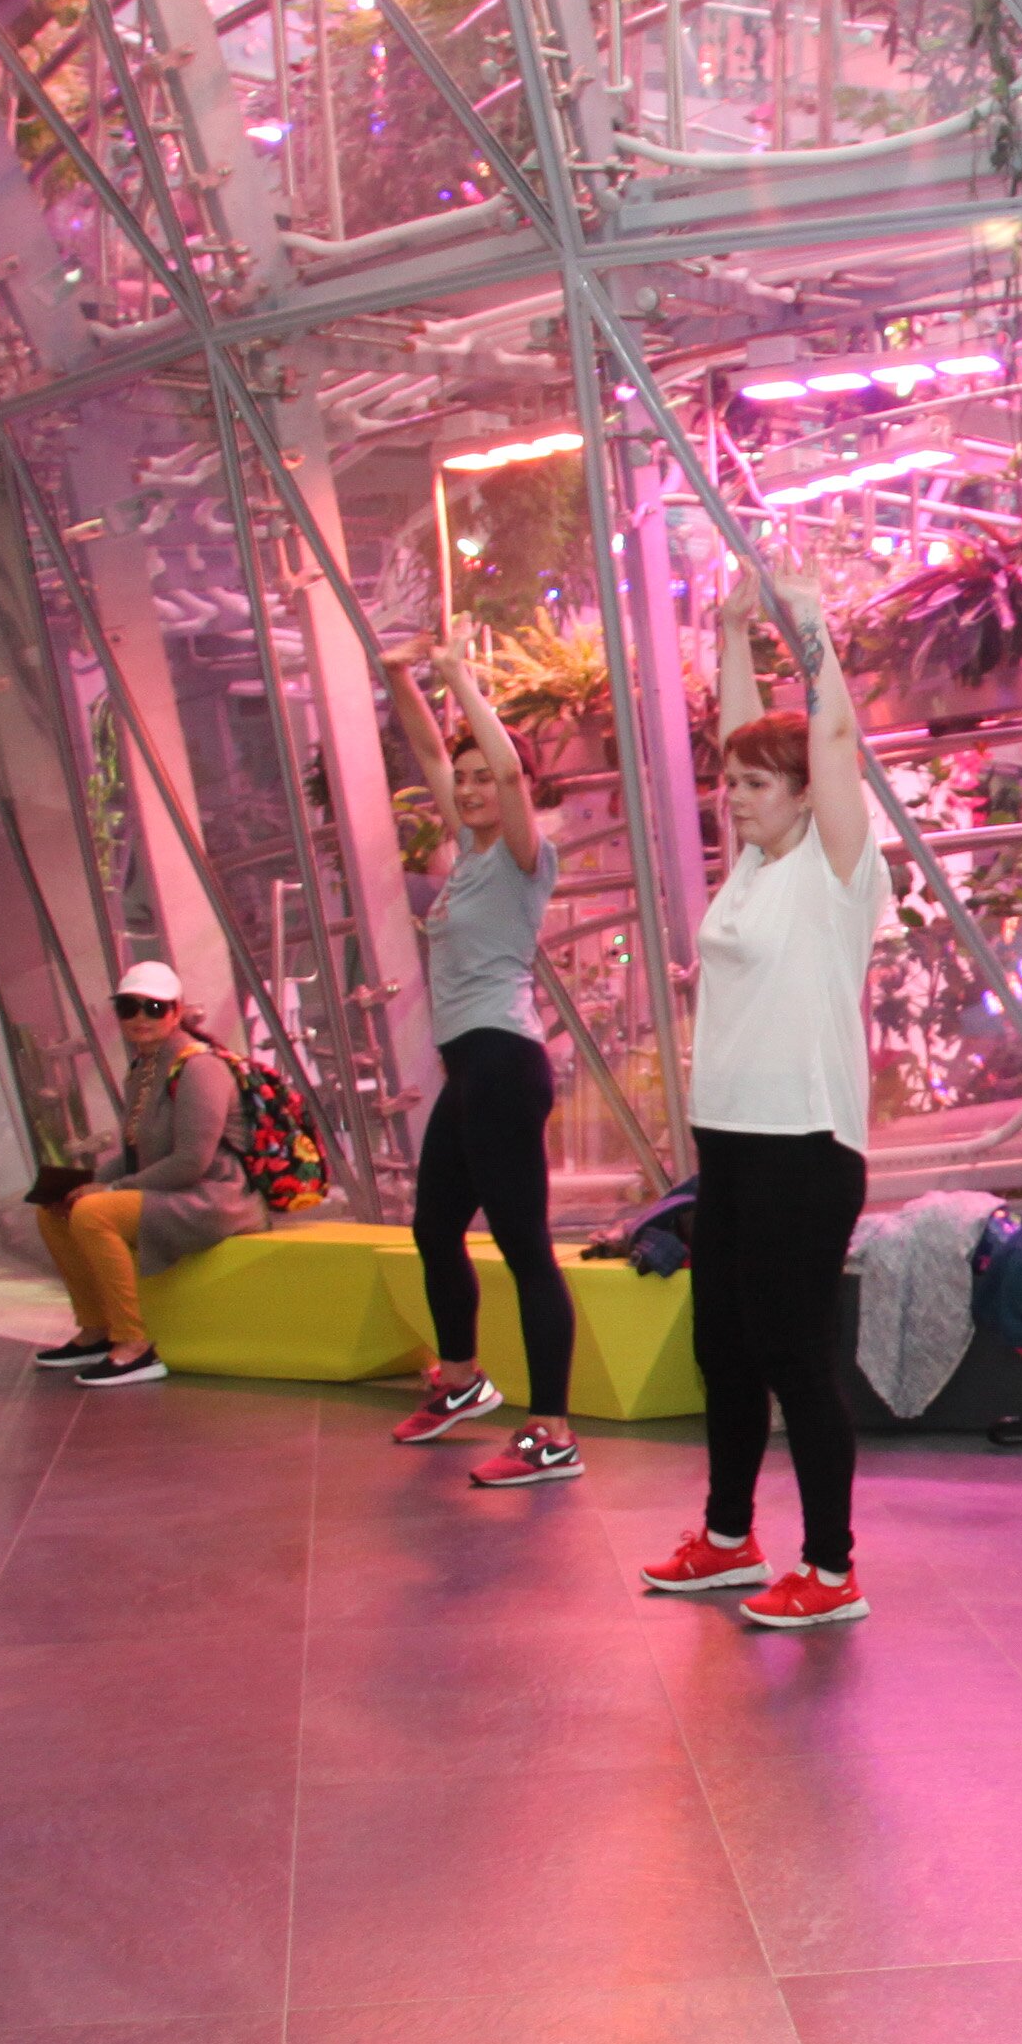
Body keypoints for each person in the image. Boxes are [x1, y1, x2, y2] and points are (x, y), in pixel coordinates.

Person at [641, 567, 890, 1630]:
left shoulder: (836, 871)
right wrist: (732, 629)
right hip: (732, 1146)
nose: (733, 797)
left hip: (805, 1145)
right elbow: (747, 733)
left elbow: (828, 741)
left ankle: (831, 1571)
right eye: (730, 784)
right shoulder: (750, 865)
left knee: (794, 1357)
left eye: (752, 786)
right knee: (725, 1351)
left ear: (801, 795)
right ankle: (730, 1536)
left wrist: (812, 625)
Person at [377, 625, 579, 1489]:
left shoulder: (525, 859)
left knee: (525, 1248)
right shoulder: (467, 857)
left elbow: (504, 770)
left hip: (504, 1061)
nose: (466, 788)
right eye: (460, 781)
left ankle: (552, 1432)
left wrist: (459, 675)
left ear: (514, 788)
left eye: (481, 778)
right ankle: (461, 1379)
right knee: (434, 1229)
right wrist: (399, 674)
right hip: (470, 1068)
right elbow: (431, 750)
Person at [30, 962, 269, 1387]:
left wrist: (110, 1189)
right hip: (174, 1190)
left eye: (154, 1008)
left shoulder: (199, 1068)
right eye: (129, 1008)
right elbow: (135, 1152)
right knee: (54, 1210)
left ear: (177, 1011)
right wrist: (85, 1184)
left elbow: (190, 1162)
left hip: (214, 1197)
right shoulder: (144, 1069)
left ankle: (133, 1345)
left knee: (93, 1214)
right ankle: (96, 1331)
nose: (140, 1018)